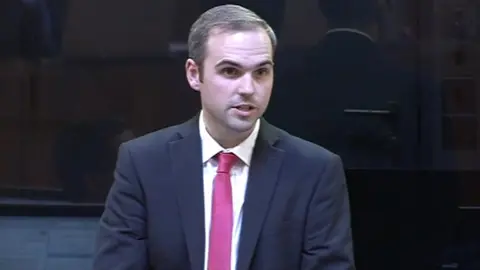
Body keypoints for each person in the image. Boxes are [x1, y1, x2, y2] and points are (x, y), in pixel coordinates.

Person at [93, 4, 355, 270]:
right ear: (194, 74)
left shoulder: (314, 171)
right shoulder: (143, 163)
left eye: (261, 72)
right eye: (230, 71)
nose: (248, 88)